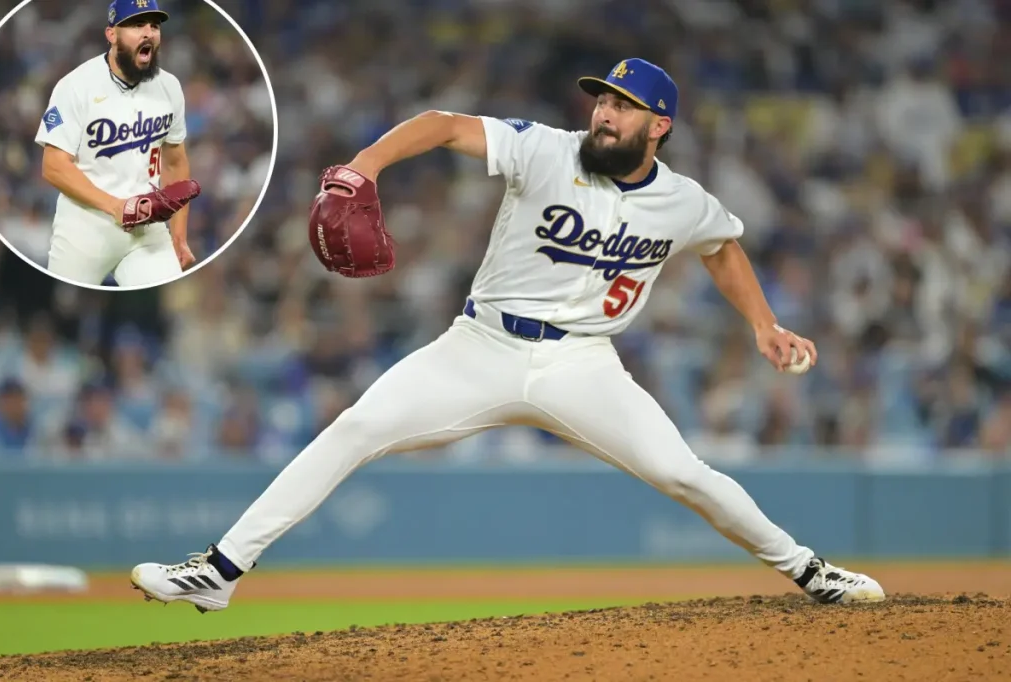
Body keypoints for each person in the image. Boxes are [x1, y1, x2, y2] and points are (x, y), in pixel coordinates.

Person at [130, 58, 885, 612]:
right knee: (356, 426)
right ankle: (221, 572)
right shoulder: (545, 149)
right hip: (479, 348)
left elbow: (722, 246)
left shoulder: (684, 201)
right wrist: (363, 167)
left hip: (581, 365)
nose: (604, 114)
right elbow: (443, 126)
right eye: (601, 100)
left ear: (660, 126)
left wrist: (763, 324)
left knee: (686, 475)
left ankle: (812, 572)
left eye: (623, 106)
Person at [33, 0, 195, 287]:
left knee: (164, 305)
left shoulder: (169, 87)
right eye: (136, 24)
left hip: (148, 228)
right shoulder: (75, 86)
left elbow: (174, 161)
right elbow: (53, 166)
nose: (148, 32)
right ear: (111, 34)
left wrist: (179, 234)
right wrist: (114, 206)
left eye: (154, 26)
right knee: (61, 308)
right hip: (85, 226)